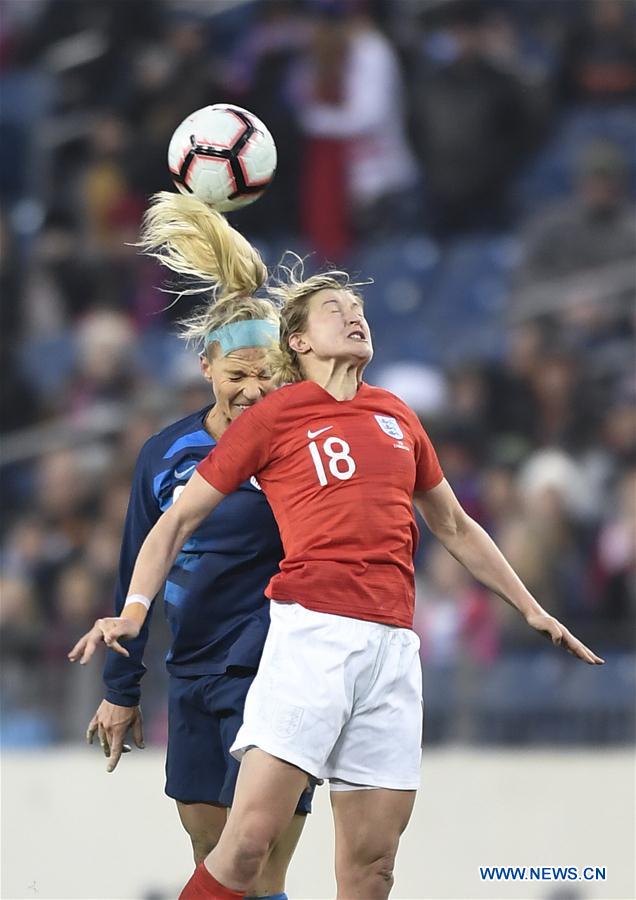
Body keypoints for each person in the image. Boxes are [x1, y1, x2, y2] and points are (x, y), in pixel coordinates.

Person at [70, 198, 604, 900]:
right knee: (241, 848)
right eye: (335, 309)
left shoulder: (397, 414)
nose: (355, 314)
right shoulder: (271, 421)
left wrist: (532, 609)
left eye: (359, 306)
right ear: (298, 342)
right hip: (302, 643)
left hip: (386, 650)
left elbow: (455, 526)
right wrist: (133, 621)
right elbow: (169, 524)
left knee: (370, 868)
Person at [70, 193, 312, 900]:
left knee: (258, 855)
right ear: (207, 367)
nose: (250, 390)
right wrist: (122, 689)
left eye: (266, 375)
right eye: (237, 375)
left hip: (277, 673)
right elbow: (135, 569)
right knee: (212, 850)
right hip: (193, 669)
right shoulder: (166, 454)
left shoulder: (301, 451)